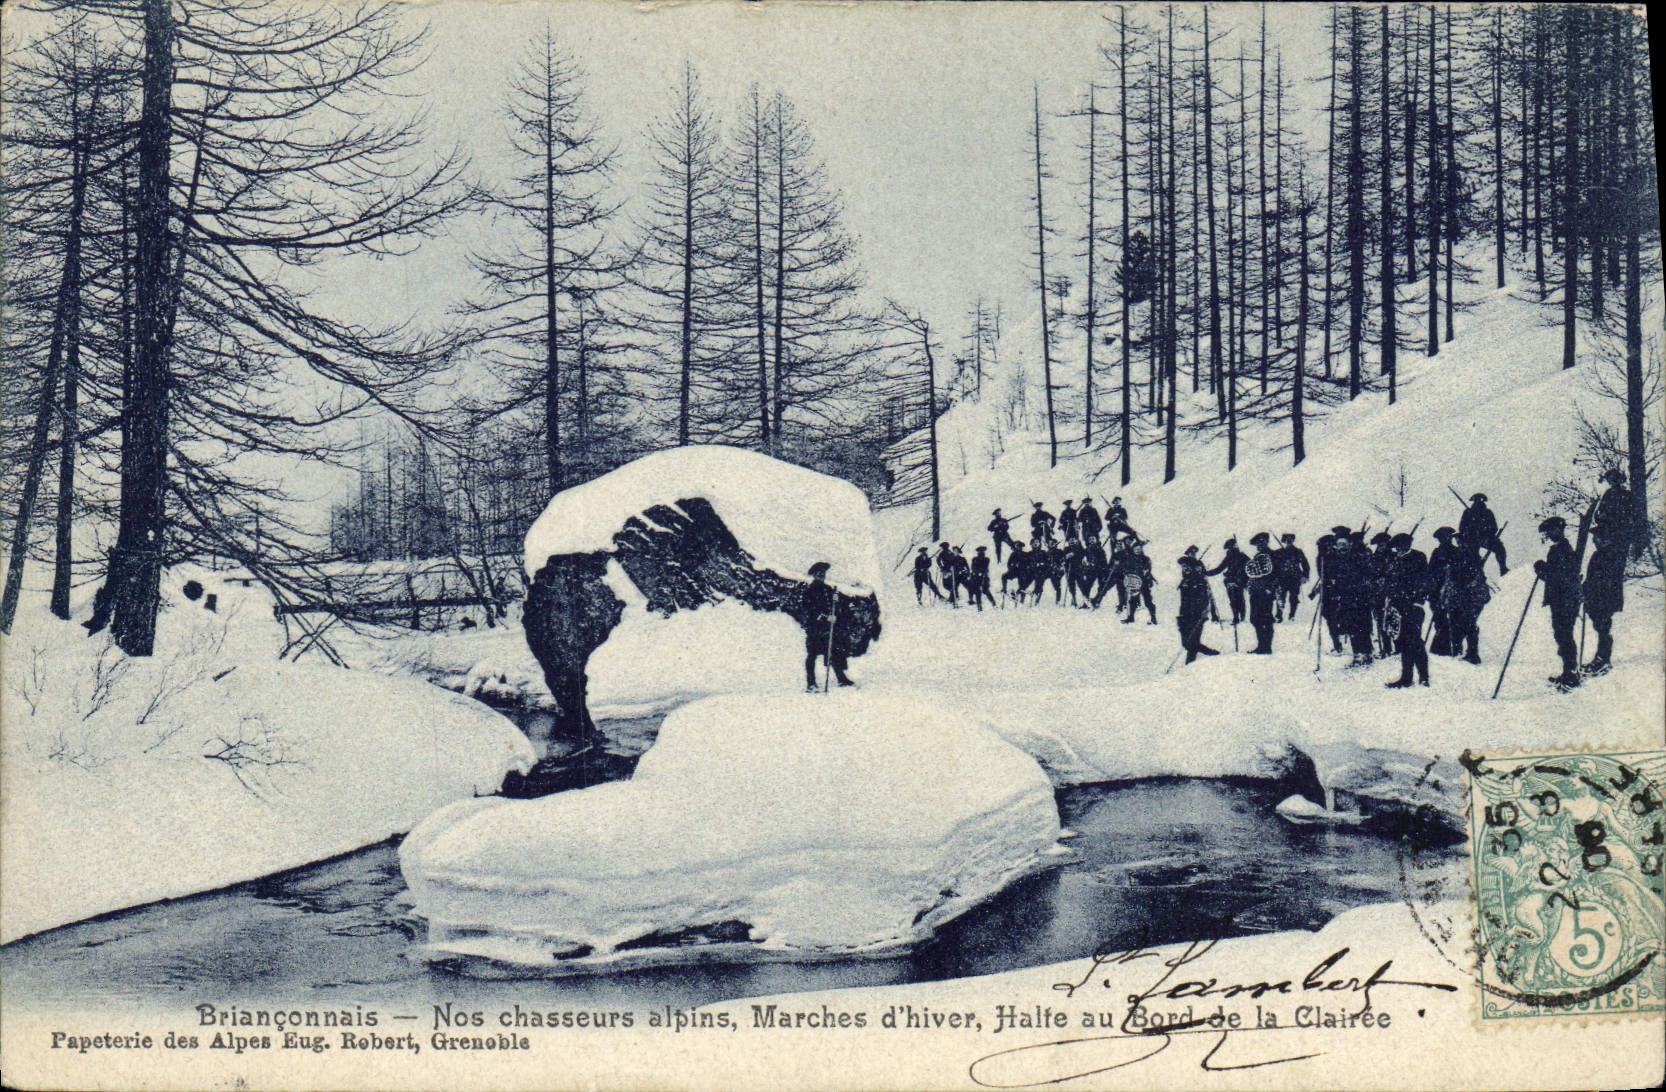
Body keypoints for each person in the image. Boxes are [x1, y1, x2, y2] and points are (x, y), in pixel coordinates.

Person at [1583, 468, 1633, 675]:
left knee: (1603, 619)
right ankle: (1601, 656)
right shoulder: (1607, 496)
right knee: (1598, 618)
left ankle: (1603, 658)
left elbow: (1623, 522)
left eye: (1614, 479)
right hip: (1598, 592)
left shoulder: (1625, 497)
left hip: (1607, 591)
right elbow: (1599, 517)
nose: (1611, 482)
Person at [1534, 516, 1582, 688]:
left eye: (1551, 530)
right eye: (1548, 531)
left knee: (1564, 636)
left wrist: (1541, 570)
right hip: (1563, 599)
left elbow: (1557, 578)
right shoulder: (1561, 548)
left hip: (1564, 600)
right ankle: (1568, 672)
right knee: (1562, 635)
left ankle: (1571, 674)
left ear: (1559, 530)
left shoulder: (1561, 550)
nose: (1549, 534)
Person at [1384, 533, 1431, 688]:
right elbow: (1390, 582)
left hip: (1413, 606)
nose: (1399, 549)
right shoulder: (1395, 560)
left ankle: (1423, 677)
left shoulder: (1418, 558)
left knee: (1415, 641)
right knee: (1404, 642)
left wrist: (1415, 599)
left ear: (1408, 545)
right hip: (1397, 607)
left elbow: (1423, 581)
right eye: (1397, 546)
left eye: (1402, 545)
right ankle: (1407, 677)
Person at [802, 562, 853, 691]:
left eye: (823, 574)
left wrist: (836, 602)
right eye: (819, 574)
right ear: (814, 575)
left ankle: (841, 678)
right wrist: (824, 617)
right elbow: (808, 609)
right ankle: (811, 683)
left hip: (828, 628)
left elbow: (836, 606)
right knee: (812, 655)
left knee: (833, 652)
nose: (821, 576)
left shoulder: (829, 590)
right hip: (815, 628)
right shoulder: (809, 591)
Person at [1441, 533, 1490, 664]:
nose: (1459, 544)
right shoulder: (1457, 556)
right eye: (1458, 542)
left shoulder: (1473, 556)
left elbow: (1472, 576)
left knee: (1469, 623)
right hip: (1458, 595)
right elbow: (1451, 575)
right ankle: (1458, 651)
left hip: (1471, 595)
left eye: (1461, 542)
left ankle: (1472, 654)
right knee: (1456, 623)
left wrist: (1461, 583)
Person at [1176, 554, 1221, 664]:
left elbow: (1205, 600)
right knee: (1186, 643)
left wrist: (1203, 613)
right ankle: (1210, 652)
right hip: (1184, 615)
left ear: (1192, 567)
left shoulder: (1199, 581)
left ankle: (1189, 666)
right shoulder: (1184, 581)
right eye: (1183, 566)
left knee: (1192, 642)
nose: (1185, 568)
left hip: (1196, 615)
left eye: (1187, 566)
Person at [1426, 527, 1461, 656]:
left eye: (1446, 537)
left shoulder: (1457, 552)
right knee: (1439, 619)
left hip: (1453, 592)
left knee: (1454, 620)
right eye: (1441, 538)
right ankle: (1441, 648)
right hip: (1436, 591)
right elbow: (1430, 572)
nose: (1444, 540)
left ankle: (1454, 648)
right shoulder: (1436, 553)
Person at [1459, 492, 1508, 575]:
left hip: (1485, 538)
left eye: (1480, 501)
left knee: (1500, 548)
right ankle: (1475, 571)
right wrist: (1471, 527)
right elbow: (1462, 528)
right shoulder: (1468, 513)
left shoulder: (1488, 513)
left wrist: (1484, 528)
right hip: (1472, 539)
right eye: (1476, 501)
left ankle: (1502, 567)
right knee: (1472, 555)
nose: (1478, 503)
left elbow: (1494, 528)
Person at [1245, 532, 1278, 654]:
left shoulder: (1273, 555)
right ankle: (1262, 645)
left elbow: (1277, 574)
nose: (1259, 545)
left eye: (1262, 542)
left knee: (1265, 619)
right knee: (1255, 618)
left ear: (1266, 542)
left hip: (1265, 592)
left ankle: (1266, 647)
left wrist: (1270, 588)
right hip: (1256, 592)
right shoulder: (1258, 556)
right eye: (1258, 543)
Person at [1206, 537, 1249, 626]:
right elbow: (1220, 568)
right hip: (1234, 581)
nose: (1231, 548)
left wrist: (1207, 573)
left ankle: (1238, 616)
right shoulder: (1233, 556)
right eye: (1230, 547)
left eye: (1232, 546)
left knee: (1236, 598)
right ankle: (1239, 616)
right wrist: (1207, 573)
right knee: (1237, 598)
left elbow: (1250, 567)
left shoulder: (1240, 556)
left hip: (1237, 581)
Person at [1274, 533, 1309, 622]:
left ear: (1293, 540)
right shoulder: (1278, 552)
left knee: (1294, 597)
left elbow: (1305, 564)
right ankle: (1279, 615)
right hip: (1282, 578)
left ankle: (1292, 614)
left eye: (1290, 539)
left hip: (1295, 578)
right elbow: (1274, 566)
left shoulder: (1298, 551)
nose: (1289, 541)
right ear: (1284, 541)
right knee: (1280, 597)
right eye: (1287, 539)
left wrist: (1305, 576)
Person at [1121, 540, 1157, 624]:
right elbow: (1125, 568)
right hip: (1134, 583)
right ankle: (1130, 618)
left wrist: (1146, 572)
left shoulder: (1146, 559)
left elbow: (1148, 568)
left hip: (1144, 582)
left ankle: (1153, 618)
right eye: (1136, 549)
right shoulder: (1130, 559)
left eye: (1139, 549)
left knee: (1148, 600)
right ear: (1133, 549)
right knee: (1132, 600)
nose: (1138, 550)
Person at [968, 546, 994, 611]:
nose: (981, 553)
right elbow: (973, 568)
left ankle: (993, 603)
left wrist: (980, 572)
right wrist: (978, 572)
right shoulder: (974, 559)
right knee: (977, 591)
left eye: (982, 551)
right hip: (976, 578)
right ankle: (979, 606)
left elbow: (985, 568)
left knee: (986, 591)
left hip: (984, 577)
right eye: (979, 551)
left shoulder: (986, 559)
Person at [935, 541, 959, 606]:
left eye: (944, 547)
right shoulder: (946, 553)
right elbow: (938, 560)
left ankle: (953, 599)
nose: (943, 548)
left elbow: (955, 560)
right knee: (946, 585)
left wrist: (952, 566)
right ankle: (953, 596)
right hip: (946, 570)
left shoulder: (948, 553)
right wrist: (941, 567)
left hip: (949, 570)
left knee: (948, 584)